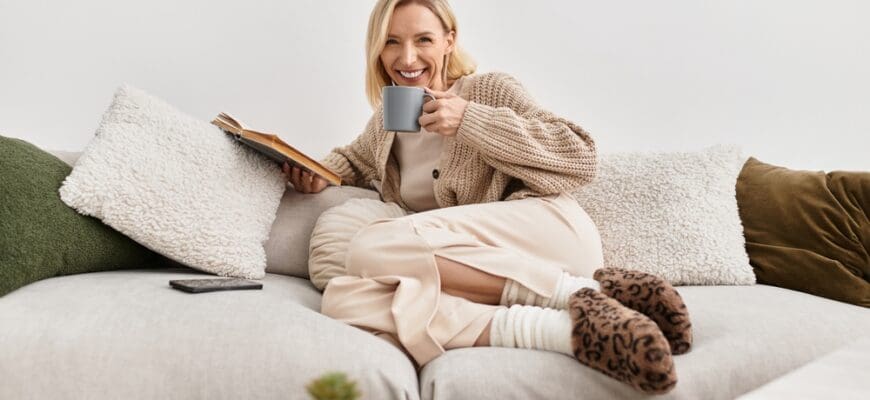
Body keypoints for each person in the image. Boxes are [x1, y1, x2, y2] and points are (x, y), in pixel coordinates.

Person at [283, 0, 691, 394]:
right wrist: (317, 174)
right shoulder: (386, 123)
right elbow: (351, 159)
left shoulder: (489, 90)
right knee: (342, 299)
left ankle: (578, 293)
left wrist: (469, 121)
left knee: (372, 245)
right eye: (391, 41)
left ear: (449, 40)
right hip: (475, 269)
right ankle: (566, 331)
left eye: (423, 39)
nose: (407, 58)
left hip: (545, 235)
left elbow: (580, 155)